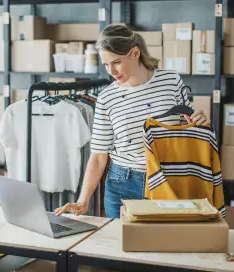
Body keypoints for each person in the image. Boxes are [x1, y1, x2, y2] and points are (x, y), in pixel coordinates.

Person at [54, 24, 209, 219]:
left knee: (164, 244)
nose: (111, 71)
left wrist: (199, 120)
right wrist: (82, 200)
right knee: (122, 247)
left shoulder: (171, 81)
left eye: (116, 62)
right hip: (123, 184)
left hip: (168, 178)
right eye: (106, 64)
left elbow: (187, 127)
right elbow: (99, 156)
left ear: (135, 53)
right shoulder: (106, 98)